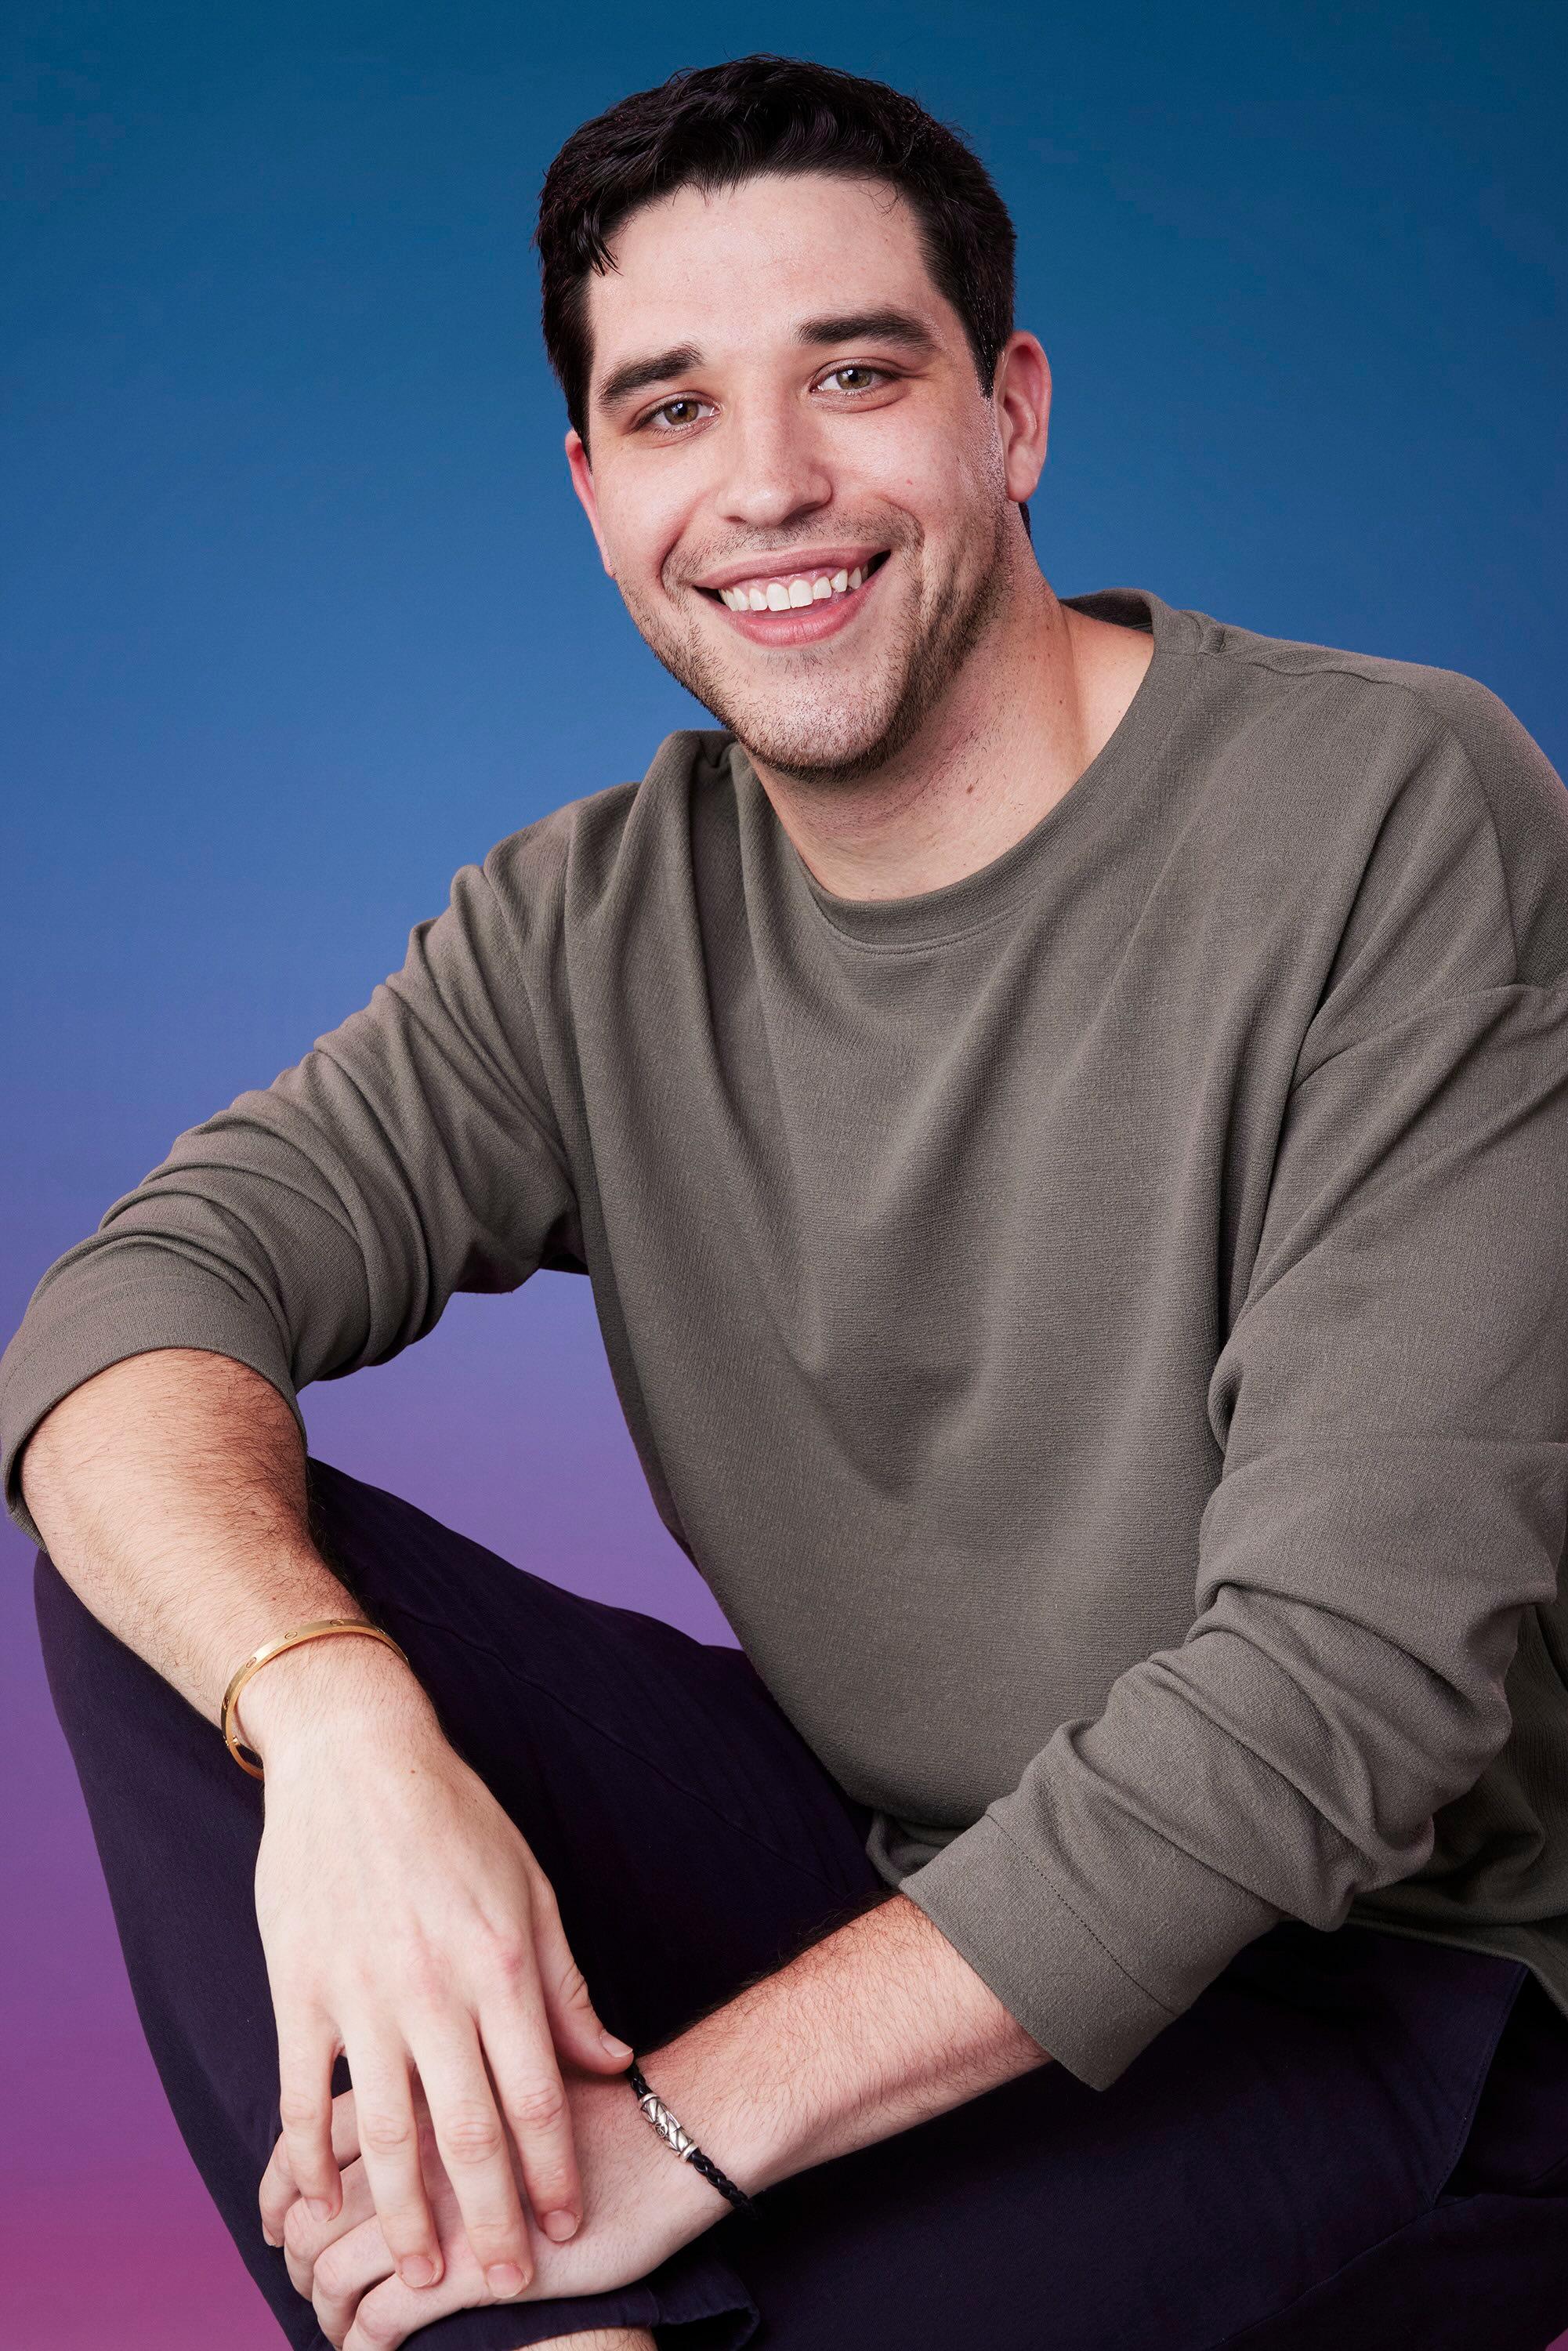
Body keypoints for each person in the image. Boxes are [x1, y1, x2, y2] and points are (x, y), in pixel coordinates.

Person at [5, 50, 1568, 2351]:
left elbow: (1349, 1686)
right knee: (167, 1559)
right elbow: (136, 1302)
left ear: (1009, 411)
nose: (766, 488)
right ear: (588, 483)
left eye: (854, 375)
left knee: (709, 2286)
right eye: (668, 410)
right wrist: (333, 1728)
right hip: (889, 1874)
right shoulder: (592, 918)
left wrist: (670, 2139)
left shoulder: (1386, 811)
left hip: (1383, 1980)